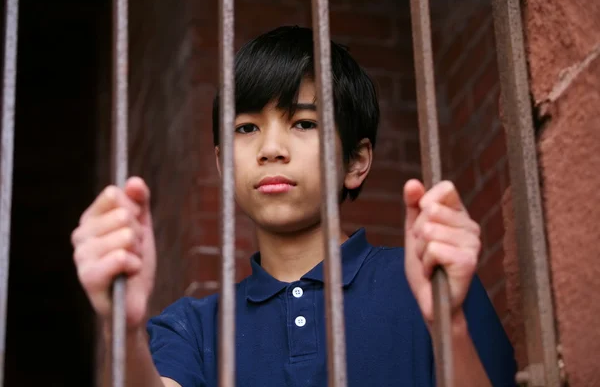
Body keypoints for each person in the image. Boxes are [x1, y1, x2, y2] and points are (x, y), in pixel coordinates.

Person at [71, 26, 517, 387]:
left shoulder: (429, 277)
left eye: (303, 122)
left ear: (356, 161)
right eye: (246, 128)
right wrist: (123, 329)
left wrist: (450, 322)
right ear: (224, 164)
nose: (270, 149)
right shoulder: (194, 327)